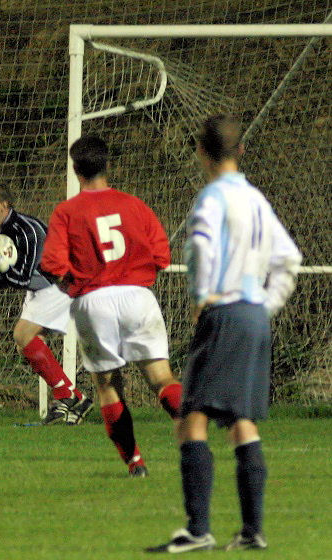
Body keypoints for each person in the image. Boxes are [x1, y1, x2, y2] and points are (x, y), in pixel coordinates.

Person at [146, 115, 302, 553]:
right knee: (240, 420)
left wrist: (202, 295)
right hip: (253, 315)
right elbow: (289, 258)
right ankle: (252, 530)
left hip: (225, 312)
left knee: (191, 417)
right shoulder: (255, 199)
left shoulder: (213, 197)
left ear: (200, 151)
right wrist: (264, 305)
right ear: (242, 151)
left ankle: (198, 530)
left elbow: (199, 243)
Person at [40, 135, 183, 477]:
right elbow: (162, 255)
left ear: (76, 170)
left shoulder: (67, 211)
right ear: (108, 165)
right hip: (138, 296)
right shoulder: (134, 205)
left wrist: (71, 284)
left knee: (107, 384)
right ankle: (192, 427)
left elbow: (53, 263)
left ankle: (135, 462)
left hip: (94, 300)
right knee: (161, 377)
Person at [0, 181, 93, 425]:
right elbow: (3, 285)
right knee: (27, 344)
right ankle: (74, 400)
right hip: (38, 288)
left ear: (4, 204)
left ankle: (67, 397)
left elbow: (22, 277)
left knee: (22, 335)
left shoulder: (28, 230)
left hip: (59, 283)